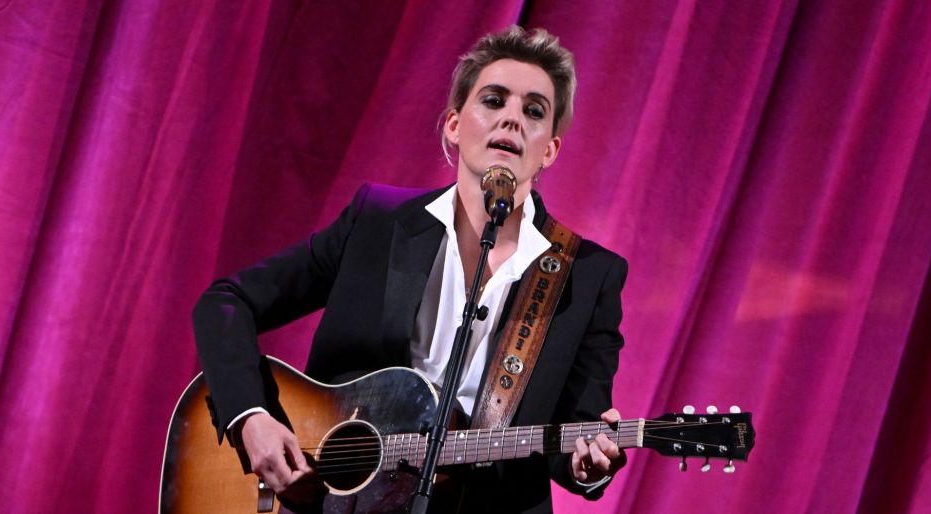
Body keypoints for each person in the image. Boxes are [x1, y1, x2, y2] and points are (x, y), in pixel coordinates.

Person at [193, 25, 628, 514]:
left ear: (549, 149)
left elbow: (579, 433)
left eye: (533, 111)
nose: (512, 118)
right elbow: (226, 302)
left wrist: (589, 465)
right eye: (493, 100)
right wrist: (251, 417)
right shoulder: (376, 222)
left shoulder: (586, 275)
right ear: (454, 125)